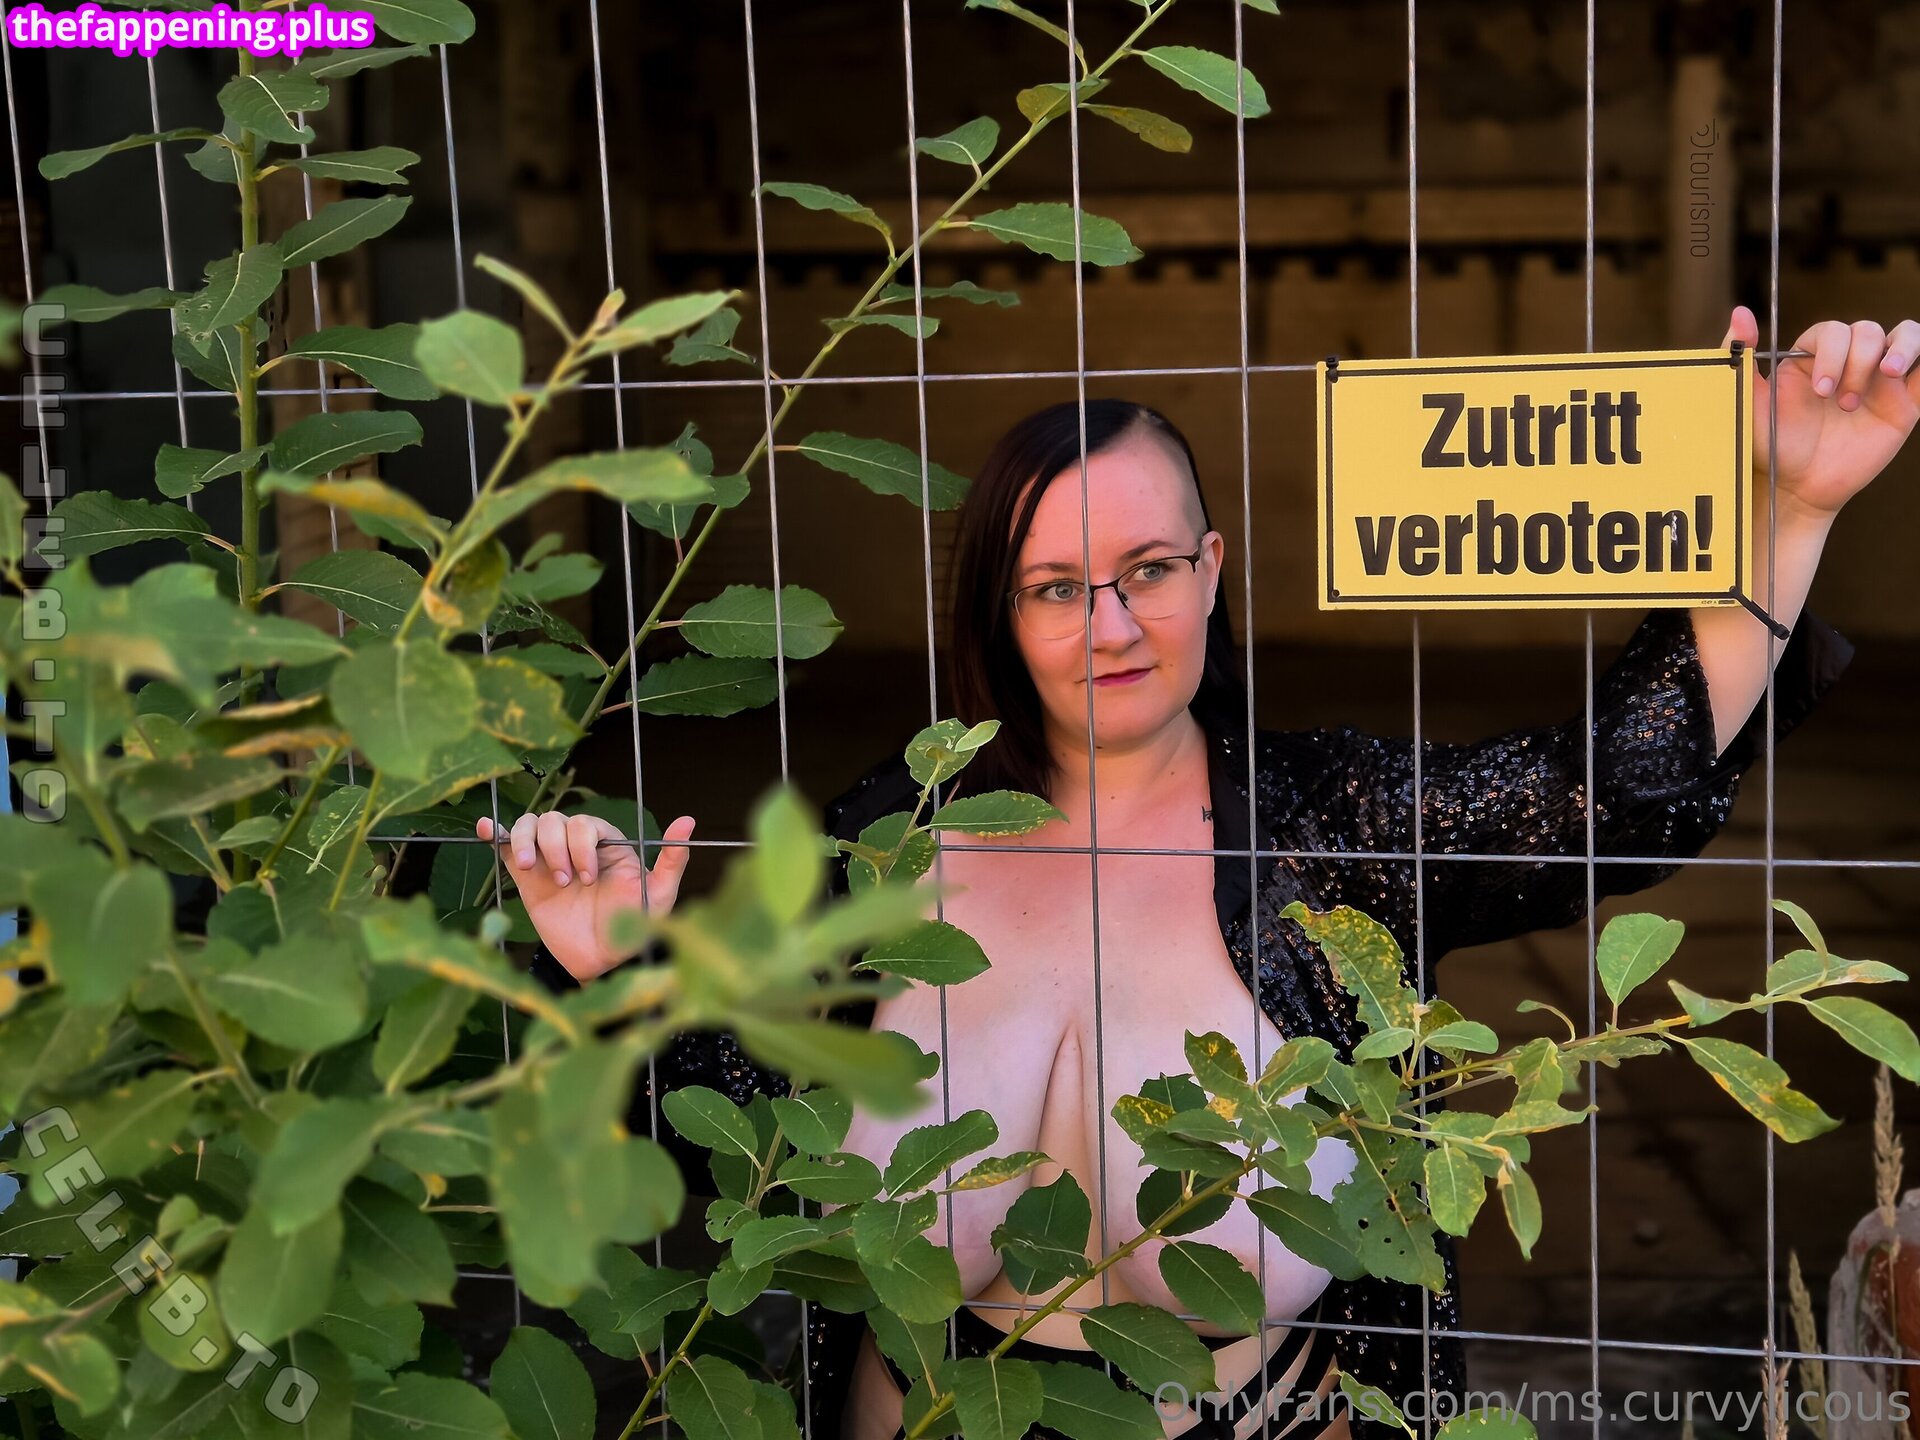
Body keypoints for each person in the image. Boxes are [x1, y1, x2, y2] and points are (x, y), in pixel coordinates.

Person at [483, 305, 1916, 1439]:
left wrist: (1788, 510)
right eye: (1056, 587)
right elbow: (754, 1157)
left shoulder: (1329, 828)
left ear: (1214, 569)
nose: (1112, 624)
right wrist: (632, 974)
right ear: (1000, 610)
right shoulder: (898, 837)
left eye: (1151, 568)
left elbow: (1607, 799)